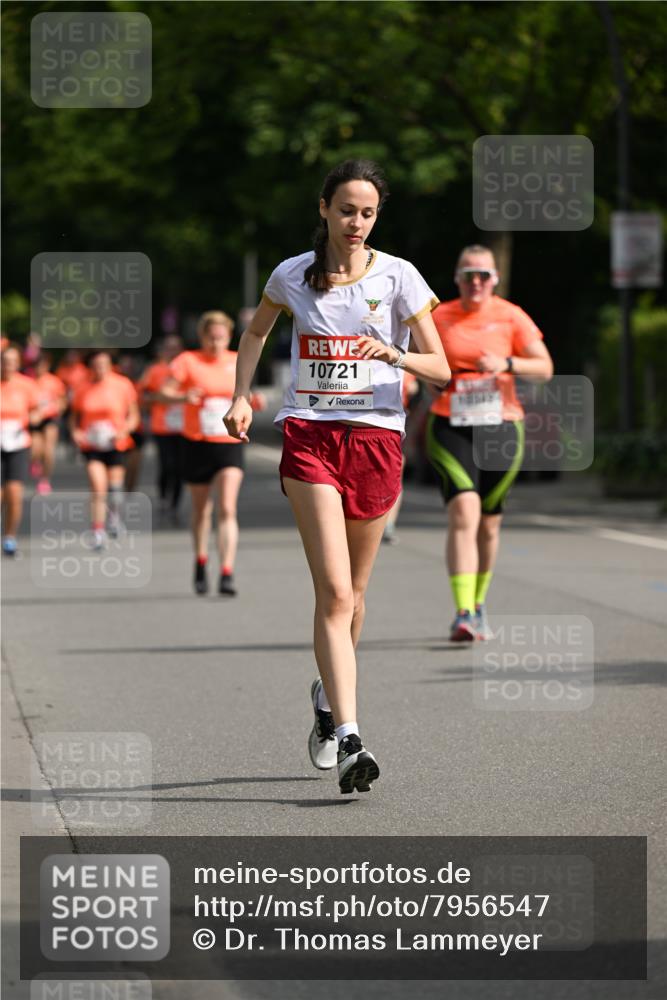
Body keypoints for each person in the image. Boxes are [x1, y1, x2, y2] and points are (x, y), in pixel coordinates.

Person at [224, 159, 450, 794]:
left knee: (356, 594)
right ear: (323, 207)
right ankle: (351, 737)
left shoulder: (400, 277)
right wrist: (242, 396)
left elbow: (443, 369)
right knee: (334, 592)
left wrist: (397, 353)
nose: (357, 222)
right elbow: (255, 334)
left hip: (377, 439)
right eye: (347, 209)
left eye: (369, 212)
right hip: (311, 437)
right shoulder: (292, 273)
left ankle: (326, 696)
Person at [428, 244, 554, 642]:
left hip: (501, 426)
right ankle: (462, 612)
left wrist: (508, 364)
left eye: (484, 275)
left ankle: (479, 605)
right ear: (457, 278)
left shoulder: (511, 316)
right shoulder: (438, 316)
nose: (476, 282)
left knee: (489, 522)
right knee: (464, 511)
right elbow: (411, 358)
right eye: (469, 275)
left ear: (494, 280)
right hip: (451, 423)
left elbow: (545, 369)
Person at [159, 312, 266, 596]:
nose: (216, 342)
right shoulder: (188, 361)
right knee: (201, 510)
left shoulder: (236, 360)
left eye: (221, 337)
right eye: (211, 337)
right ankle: (200, 559)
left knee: (228, 507)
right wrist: (183, 397)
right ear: (202, 336)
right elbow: (163, 392)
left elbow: (246, 395)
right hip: (197, 442)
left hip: (229, 445)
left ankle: (227, 571)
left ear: (229, 337)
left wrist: (256, 401)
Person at [69, 349, 140, 550]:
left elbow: (133, 416)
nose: (100, 368)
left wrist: (124, 430)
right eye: (96, 365)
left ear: (111, 365)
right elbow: (73, 417)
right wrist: (76, 432)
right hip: (92, 445)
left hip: (116, 443)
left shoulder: (122, 385)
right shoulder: (82, 387)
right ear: (90, 366)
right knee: (98, 487)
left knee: (115, 490)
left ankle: (114, 517)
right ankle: (98, 531)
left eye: (104, 364)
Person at [1, 344, 42, 555]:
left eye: (12, 362)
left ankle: (9, 537)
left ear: (18, 363)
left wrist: (32, 418)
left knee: (15, 494)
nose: (8, 366)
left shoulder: (26, 385)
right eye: (5, 361)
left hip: (17, 444)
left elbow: (37, 410)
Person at [138, 335, 184, 522]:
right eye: (169, 347)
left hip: (184, 426)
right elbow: (142, 394)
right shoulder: (155, 370)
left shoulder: (187, 367)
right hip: (162, 426)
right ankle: (164, 496)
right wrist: (159, 397)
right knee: (166, 465)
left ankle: (175, 503)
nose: (172, 351)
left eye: (176, 348)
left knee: (180, 467)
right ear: (163, 350)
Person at [29, 352, 67, 494]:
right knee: (35, 449)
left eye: (43, 365)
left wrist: (56, 408)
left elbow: (62, 401)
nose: (40, 368)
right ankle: (35, 462)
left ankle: (45, 479)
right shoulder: (29, 382)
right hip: (35, 419)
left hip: (50, 418)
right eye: (37, 365)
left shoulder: (54, 381)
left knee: (48, 450)